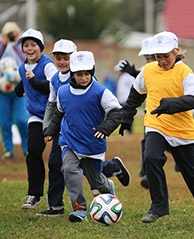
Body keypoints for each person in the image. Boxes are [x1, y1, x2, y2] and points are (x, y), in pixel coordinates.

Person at [119, 31, 194, 226]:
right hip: (156, 125)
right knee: (150, 158)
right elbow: (136, 93)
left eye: (166, 56)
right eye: (158, 57)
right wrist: (126, 115)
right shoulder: (148, 71)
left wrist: (170, 105)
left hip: (182, 131)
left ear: (176, 52)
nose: (162, 60)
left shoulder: (185, 72)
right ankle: (158, 206)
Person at [44, 51, 125, 222]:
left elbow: (117, 112)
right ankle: (79, 208)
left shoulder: (100, 91)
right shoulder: (63, 92)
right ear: (72, 74)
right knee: (68, 169)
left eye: (87, 74)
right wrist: (51, 130)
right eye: (79, 74)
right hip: (69, 141)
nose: (83, 78)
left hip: (91, 144)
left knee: (96, 182)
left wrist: (105, 127)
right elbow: (59, 113)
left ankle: (107, 186)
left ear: (92, 73)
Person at [15, 29, 57, 209]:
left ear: (40, 47)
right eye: (26, 45)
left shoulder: (47, 65)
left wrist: (33, 83)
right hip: (35, 115)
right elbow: (22, 84)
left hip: (54, 114)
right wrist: (18, 88)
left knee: (62, 158)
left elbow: (54, 85)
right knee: (33, 150)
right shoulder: (22, 67)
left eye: (33, 45)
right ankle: (34, 194)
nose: (29, 49)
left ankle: (107, 171)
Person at [114, 36, 157, 189]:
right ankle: (146, 173)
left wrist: (134, 73)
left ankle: (180, 163)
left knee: (171, 145)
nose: (149, 60)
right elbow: (143, 79)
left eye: (151, 57)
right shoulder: (147, 69)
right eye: (147, 57)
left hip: (170, 114)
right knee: (147, 143)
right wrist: (133, 72)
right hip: (152, 114)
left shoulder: (169, 67)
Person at [0, 22, 28, 160]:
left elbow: (25, 61)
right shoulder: (1, 47)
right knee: (5, 121)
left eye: (14, 34)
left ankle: (27, 148)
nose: (12, 37)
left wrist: (15, 46)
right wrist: (4, 44)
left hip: (19, 90)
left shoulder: (21, 48)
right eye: (9, 34)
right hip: (2, 91)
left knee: (22, 119)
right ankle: (8, 149)